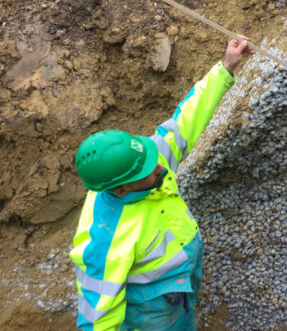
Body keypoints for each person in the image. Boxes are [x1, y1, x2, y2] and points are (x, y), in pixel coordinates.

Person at [69, 37, 255, 331]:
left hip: (178, 289)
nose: (159, 165)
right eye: (147, 168)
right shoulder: (106, 241)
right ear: (120, 189)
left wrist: (225, 67)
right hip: (153, 315)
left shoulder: (144, 162)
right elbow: (96, 319)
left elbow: (185, 120)